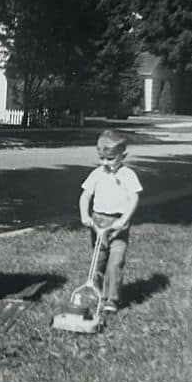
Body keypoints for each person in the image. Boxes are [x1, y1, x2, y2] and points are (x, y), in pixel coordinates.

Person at [78, 129, 142, 312]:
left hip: (118, 225)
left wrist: (124, 219)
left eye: (110, 159)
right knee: (98, 261)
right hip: (98, 222)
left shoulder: (128, 175)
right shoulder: (97, 174)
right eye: (102, 158)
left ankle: (111, 300)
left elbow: (134, 199)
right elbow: (85, 196)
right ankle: (96, 293)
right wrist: (85, 215)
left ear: (123, 155)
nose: (105, 163)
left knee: (115, 262)